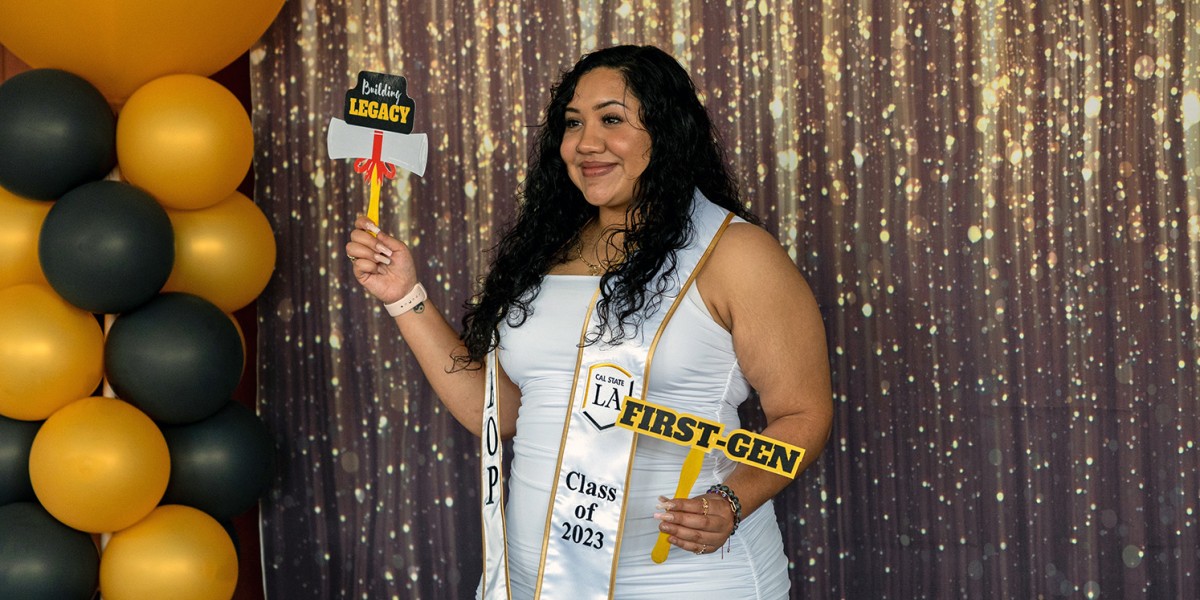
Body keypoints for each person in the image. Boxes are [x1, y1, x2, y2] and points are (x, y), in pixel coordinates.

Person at [347, 45, 832, 599]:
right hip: (536, 578)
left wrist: (732, 499)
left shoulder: (736, 253)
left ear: (666, 132)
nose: (586, 143)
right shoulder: (546, 252)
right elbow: (504, 414)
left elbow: (803, 414)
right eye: (573, 123)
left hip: (684, 575)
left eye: (612, 119)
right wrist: (405, 296)